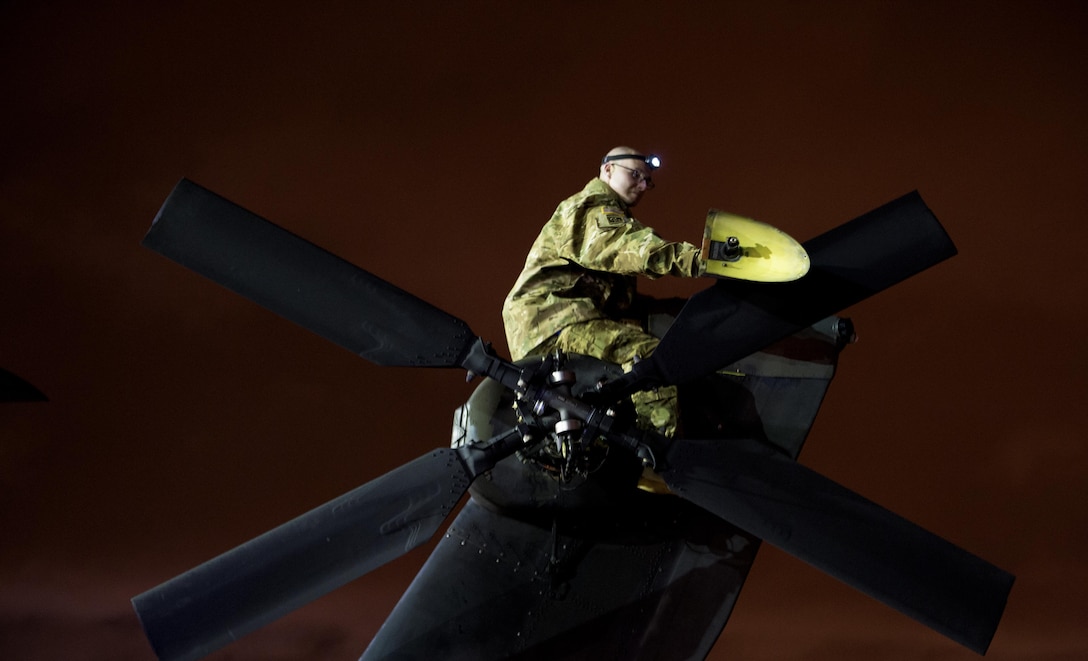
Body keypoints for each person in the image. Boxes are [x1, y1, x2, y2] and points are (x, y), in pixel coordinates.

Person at [501, 146, 703, 436]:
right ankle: (657, 454)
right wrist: (697, 260)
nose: (643, 185)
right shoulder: (592, 207)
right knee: (648, 359)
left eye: (648, 181)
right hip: (556, 322)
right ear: (608, 170)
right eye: (635, 174)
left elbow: (627, 307)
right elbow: (627, 247)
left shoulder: (609, 214)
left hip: (559, 324)